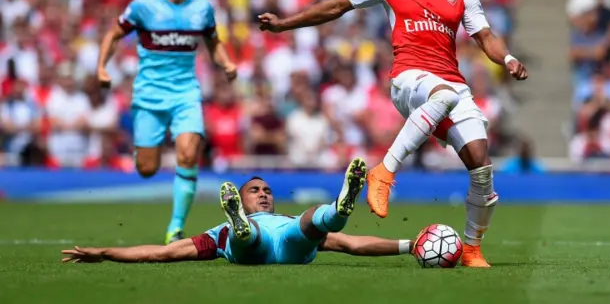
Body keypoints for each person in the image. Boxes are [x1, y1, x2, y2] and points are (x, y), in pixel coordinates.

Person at [258, 0, 529, 268]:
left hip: (450, 83)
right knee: (443, 94)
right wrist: (284, 24)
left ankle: (472, 249)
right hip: (409, 80)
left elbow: (485, 36)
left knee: (481, 165)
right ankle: (384, 171)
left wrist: (507, 58)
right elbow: (338, 6)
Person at [96, 0, 237, 244]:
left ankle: (176, 228)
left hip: (186, 93)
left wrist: (225, 62)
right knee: (147, 169)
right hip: (149, 95)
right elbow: (113, 34)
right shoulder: (143, 6)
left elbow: (213, 42)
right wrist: (101, 68)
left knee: (188, 153)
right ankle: (142, 153)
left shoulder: (202, 8)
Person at [60, 158, 416, 264]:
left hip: (289, 241)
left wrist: (408, 244)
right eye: (254, 191)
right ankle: (244, 229)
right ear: (242, 199)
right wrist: (105, 253)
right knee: (249, 237)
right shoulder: (216, 234)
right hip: (251, 241)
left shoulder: (288, 218)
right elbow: (162, 252)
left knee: (311, 221)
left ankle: (341, 205)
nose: (262, 194)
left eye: (267, 191)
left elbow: (354, 244)